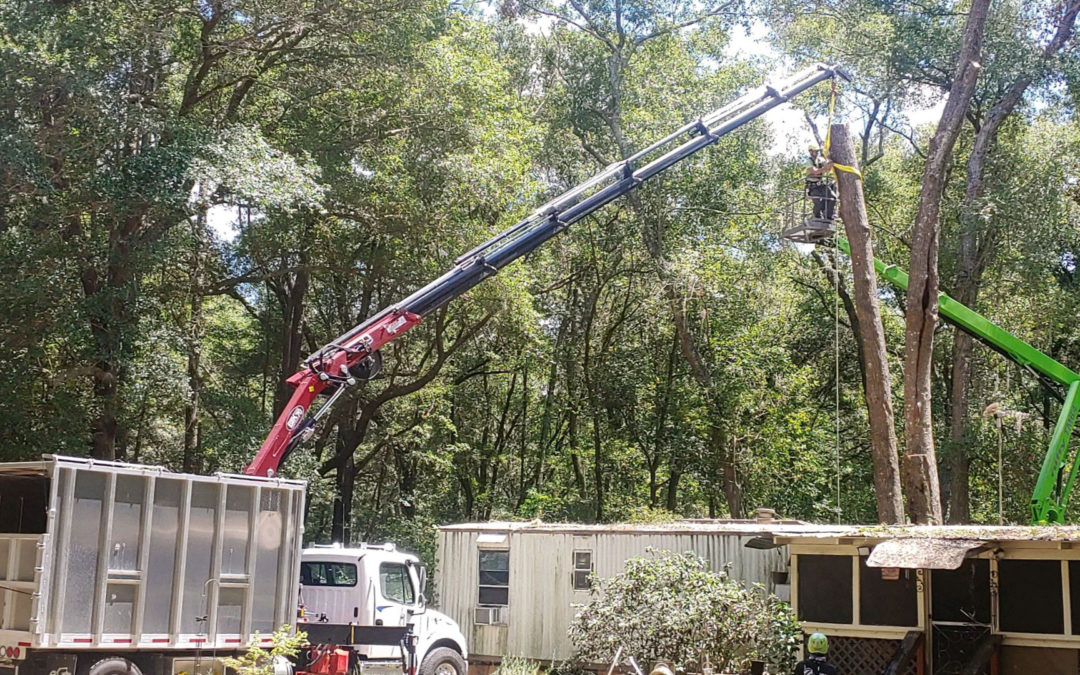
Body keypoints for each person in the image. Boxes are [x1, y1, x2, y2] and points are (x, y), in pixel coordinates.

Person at [806, 145, 836, 222]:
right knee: (818, 202)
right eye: (814, 151)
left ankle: (828, 215)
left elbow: (827, 167)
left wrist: (830, 163)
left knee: (832, 197)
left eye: (817, 151)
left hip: (821, 184)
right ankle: (817, 217)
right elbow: (815, 172)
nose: (816, 153)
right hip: (813, 186)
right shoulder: (809, 161)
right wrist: (825, 168)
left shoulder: (820, 160)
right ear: (811, 152)